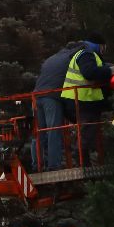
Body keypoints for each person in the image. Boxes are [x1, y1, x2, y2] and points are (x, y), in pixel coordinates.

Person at [59, 33, 114, 164]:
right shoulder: (86, 54)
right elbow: (90, 72)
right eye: (103, 47)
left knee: (88, 131)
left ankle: (85, 160)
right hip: (81, 100)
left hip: (82, 100)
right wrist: (111, 71)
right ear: (98, 45)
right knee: (87, 131)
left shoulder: (85, 54)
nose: (103, 50)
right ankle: (82, 160)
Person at [33, 41, 81, 170]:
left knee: (39, 132)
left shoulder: (53, 57)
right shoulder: (74, 56)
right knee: (53, 130)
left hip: (36, 96)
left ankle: (37, 164)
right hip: (51, 96)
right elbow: (88, 68)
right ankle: (54, 165)